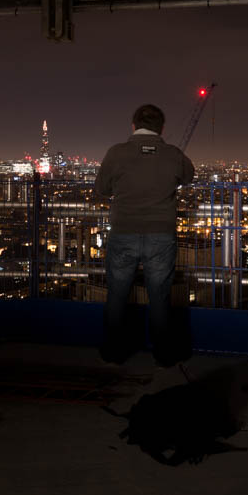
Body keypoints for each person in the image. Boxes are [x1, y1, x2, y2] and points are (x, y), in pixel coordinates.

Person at [94, 104, 195, 366]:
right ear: (161, 128)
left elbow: (101, 189)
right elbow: (188, 176)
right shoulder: (173, 154)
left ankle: (113, 352)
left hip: (123, 232)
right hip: (161, 234)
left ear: (133, 125)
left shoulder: (116, 153)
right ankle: (164, 354)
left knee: (117, 294)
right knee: (159, 296)